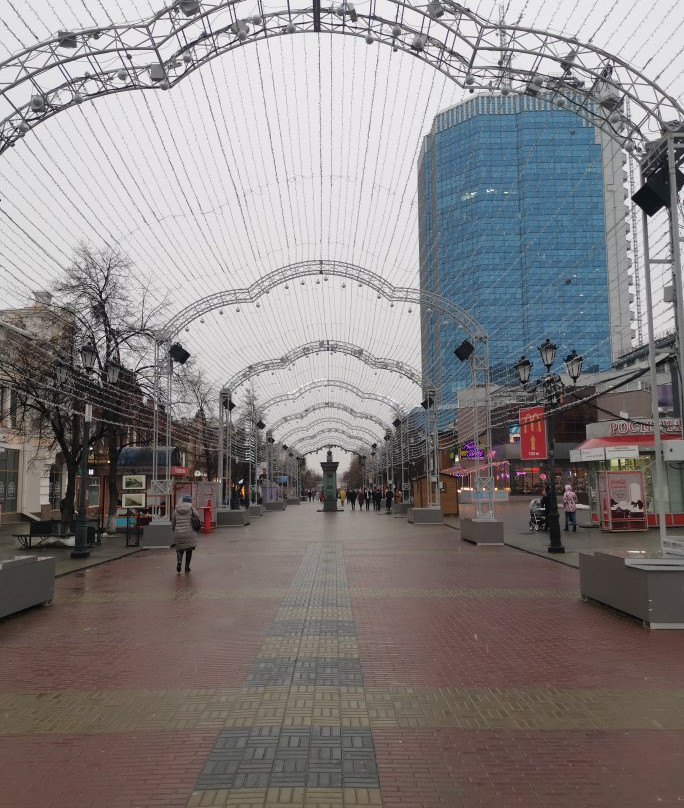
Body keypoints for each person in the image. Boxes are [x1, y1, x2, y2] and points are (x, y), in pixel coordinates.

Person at [172, 493, 200, 573]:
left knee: (179, 549)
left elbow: (173, 521)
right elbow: (198, 516)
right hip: (189, 533)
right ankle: (187, 567)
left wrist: (173, 529)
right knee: (189, 550)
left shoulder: (176, 509)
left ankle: (179, 562)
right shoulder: (191, 509)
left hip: (179, 533)